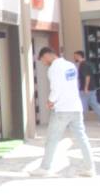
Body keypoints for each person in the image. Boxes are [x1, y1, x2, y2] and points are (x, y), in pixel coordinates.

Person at [32, 47, 96, 177]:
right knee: (82, 138)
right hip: (76, 107)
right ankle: (90, 168)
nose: (44, 63)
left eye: (43, 59)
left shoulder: (54, 68)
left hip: (62, 109)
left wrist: (50, 101)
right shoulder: (70, 65)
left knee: (52, 139)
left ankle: (45, 168)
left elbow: (56, 88)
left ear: (47, 55)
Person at [73, 49, 100, 126]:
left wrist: (85, 88)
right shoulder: (88, 63)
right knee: (95, 105)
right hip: (92, 88)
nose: (74, 58)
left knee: (82, 106)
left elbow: (87, 77)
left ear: (79, 56)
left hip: (85, 89)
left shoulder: (83, 65)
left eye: (75, 56)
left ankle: (78, 122)